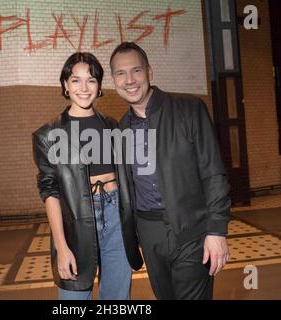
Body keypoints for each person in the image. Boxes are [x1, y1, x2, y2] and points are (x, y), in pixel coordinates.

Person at [109, 42, 231, 300]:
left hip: (191, 232)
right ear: (113, 80)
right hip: (149, 235)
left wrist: (217, 231)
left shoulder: (189, 109)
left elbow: (214, 174)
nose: (129, 80)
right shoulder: (120, 130)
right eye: (121, 73)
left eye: (136, 71)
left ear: (149, 72)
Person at [32, 52, 143, 300]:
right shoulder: (48, 135)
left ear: (99, 86)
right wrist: (61, 247)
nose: (84, 88)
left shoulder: (114, 127)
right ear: (65, 85)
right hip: (76, 221)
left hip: (116, 218)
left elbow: (130, 180)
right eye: (75, 80)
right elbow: (49, 192)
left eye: (91, 80)